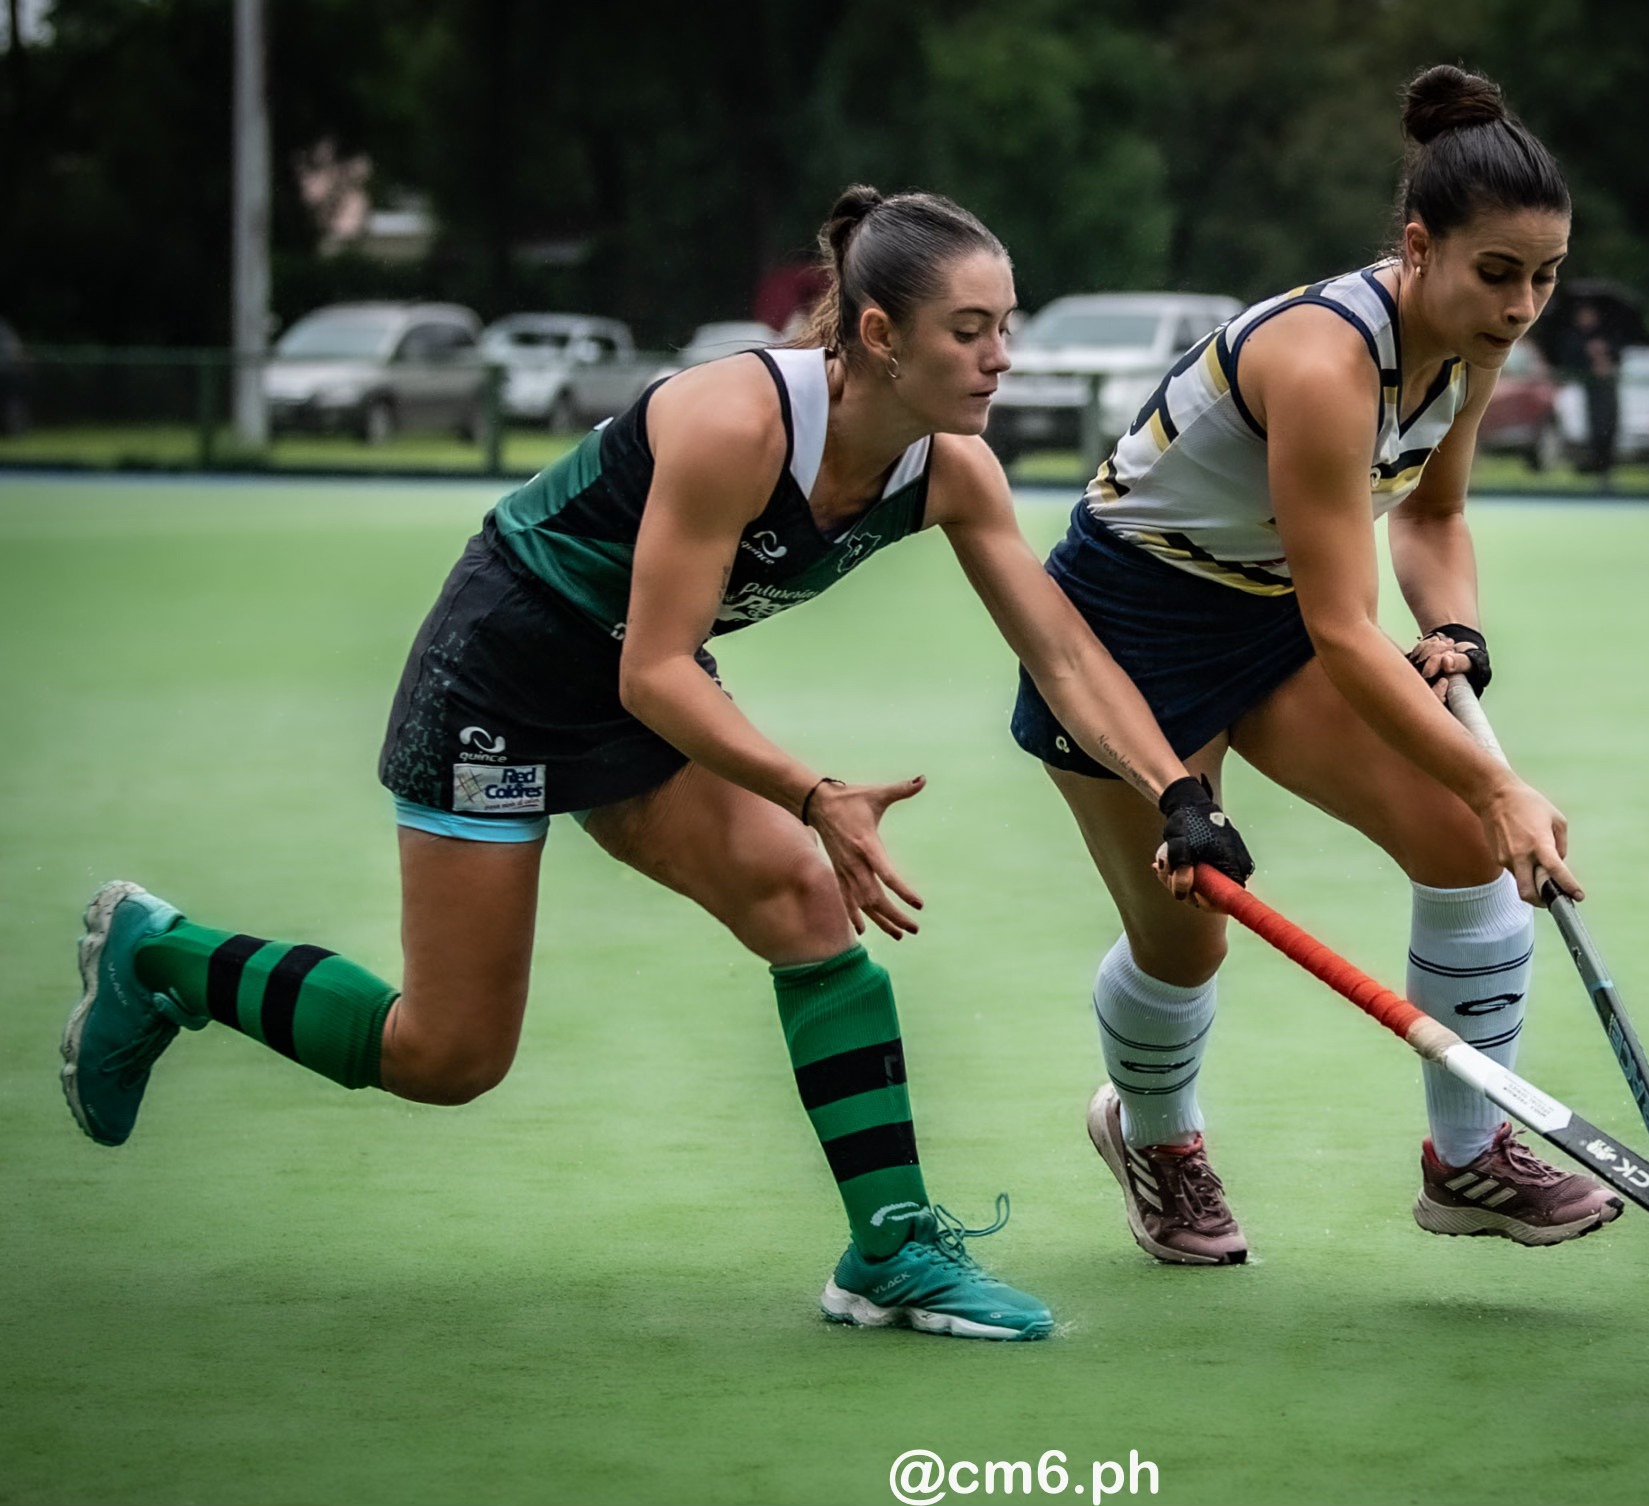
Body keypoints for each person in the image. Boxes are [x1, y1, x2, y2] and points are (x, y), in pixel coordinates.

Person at [58, 186, 1253, 1342]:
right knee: (448, 1054)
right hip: (504, 670)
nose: (1003, 358)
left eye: (1009, 326)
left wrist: (1175, 793)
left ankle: (887, 1251)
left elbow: (1063, 655)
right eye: (971, 330)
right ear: (880, 334)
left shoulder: (949, 469)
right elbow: (657, 675)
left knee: (797, 898)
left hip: (633, 672)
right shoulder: (737, 420)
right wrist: (811, 793)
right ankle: (163, 958)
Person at [1010, 64, 1624, 1268]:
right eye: (1496, 273)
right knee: (1186, 941)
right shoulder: (1323, 362)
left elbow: (1430, 518)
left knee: (1457, 847)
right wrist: (1502, 785)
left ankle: (1465, 1161)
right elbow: (1346, 630)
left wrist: (1460, 632)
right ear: (1417, 245)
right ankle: (1153, 1137)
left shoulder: (1467, 345)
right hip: (1123, 636)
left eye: (1542, 277)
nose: (1518, 305)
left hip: (1269, 614)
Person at [1557, 301, 1619, 488]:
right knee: (1595, 426)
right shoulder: (1573, 338)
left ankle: (1606, 467)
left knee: (1609, 425)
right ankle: (1595, 465)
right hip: (1588, 388)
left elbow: (1617, 356)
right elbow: (1570, 360)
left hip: (1606, 388)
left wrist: (1605, 356)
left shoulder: (1607, 335)